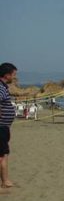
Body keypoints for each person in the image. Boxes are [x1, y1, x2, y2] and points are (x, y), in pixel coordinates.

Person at [0, 63, 18, 192]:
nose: (15, 77)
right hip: (0, 127)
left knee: (4, 154)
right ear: (7, 75)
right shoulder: (0, 88)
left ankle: (5, 181)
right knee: (1, 155)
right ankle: (4, 182)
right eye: (13, 74)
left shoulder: (3, 87)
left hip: (4, 127)